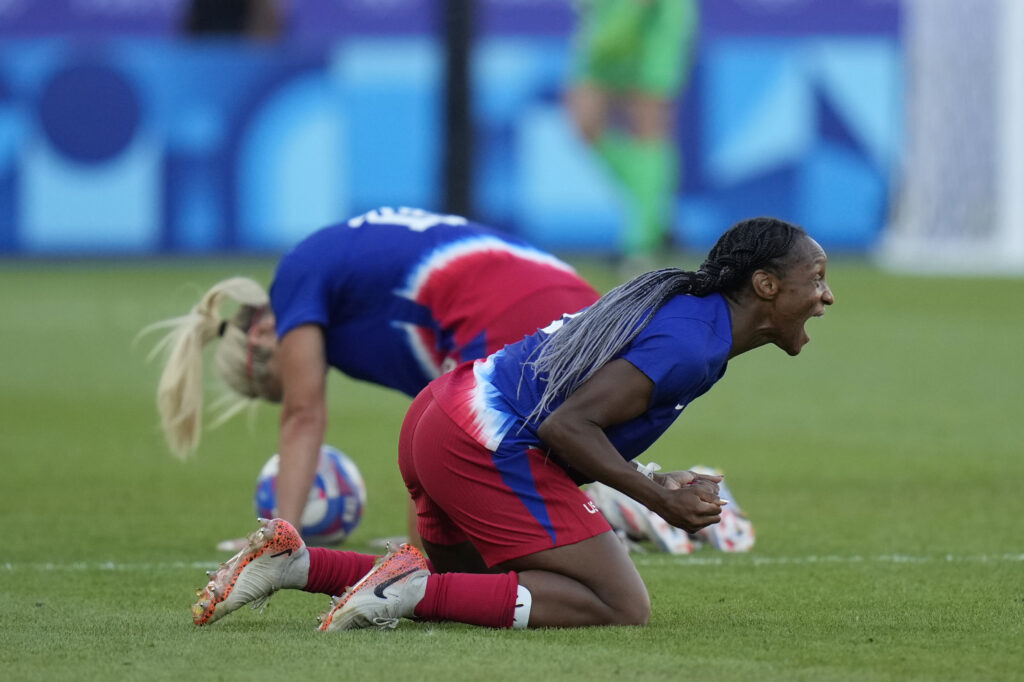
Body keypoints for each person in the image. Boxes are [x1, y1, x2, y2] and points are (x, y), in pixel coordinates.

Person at [190, 216, 834, 630]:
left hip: (440, 414)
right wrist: (657, 498)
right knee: (621, 606)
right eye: (817, 279)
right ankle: (405, 593)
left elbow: (574, 421)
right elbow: (565, 425)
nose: (827, 296)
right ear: (767, 286)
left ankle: (294, 565)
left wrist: (654, 479)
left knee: (474, 590)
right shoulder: (694, 342)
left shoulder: (694, 324)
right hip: (482, 437)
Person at [147, 206, 600, 547]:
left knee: (433, 501)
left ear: (266, 332)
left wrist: (279, 536)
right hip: (581, 302)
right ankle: (619, 511)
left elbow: (302, 417)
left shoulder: (294, 280)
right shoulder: (363, 321)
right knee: (475, 467)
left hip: (506, 310)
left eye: (273, 385)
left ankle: (608, 517)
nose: (297, 383)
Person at [566, 0, 700, 267]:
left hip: (652, 24)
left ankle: (639, 241)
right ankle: (655, 218)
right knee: (586, 124)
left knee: (648, 130)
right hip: (607, 19)